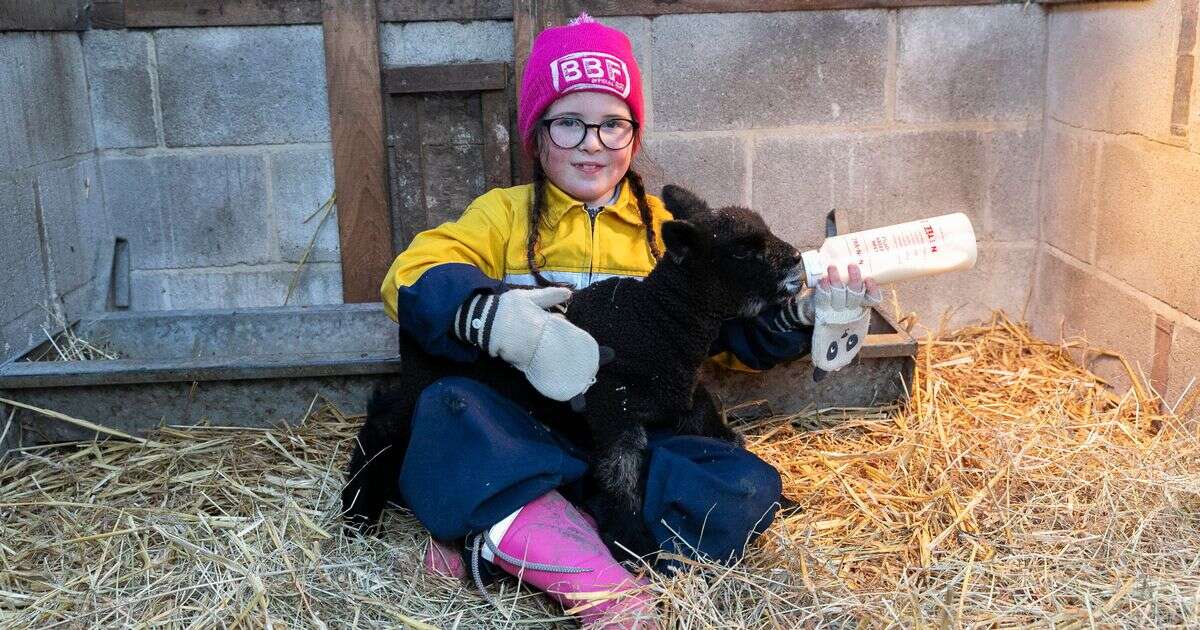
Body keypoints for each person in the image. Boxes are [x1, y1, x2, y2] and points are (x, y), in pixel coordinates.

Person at [379, 13, 881, 628]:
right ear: (536, 135)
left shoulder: (669, 234)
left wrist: (806, 317)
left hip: (633, 435)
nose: (592, 142)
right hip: (531, 423)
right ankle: (602, 590)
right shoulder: (502, 216)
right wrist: (491, 314)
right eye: (568, 122)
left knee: (745, 485)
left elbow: (726, 338)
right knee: (450, 409)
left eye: (613, 123)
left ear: (635, 137)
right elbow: (410, 272)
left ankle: (523, 537)